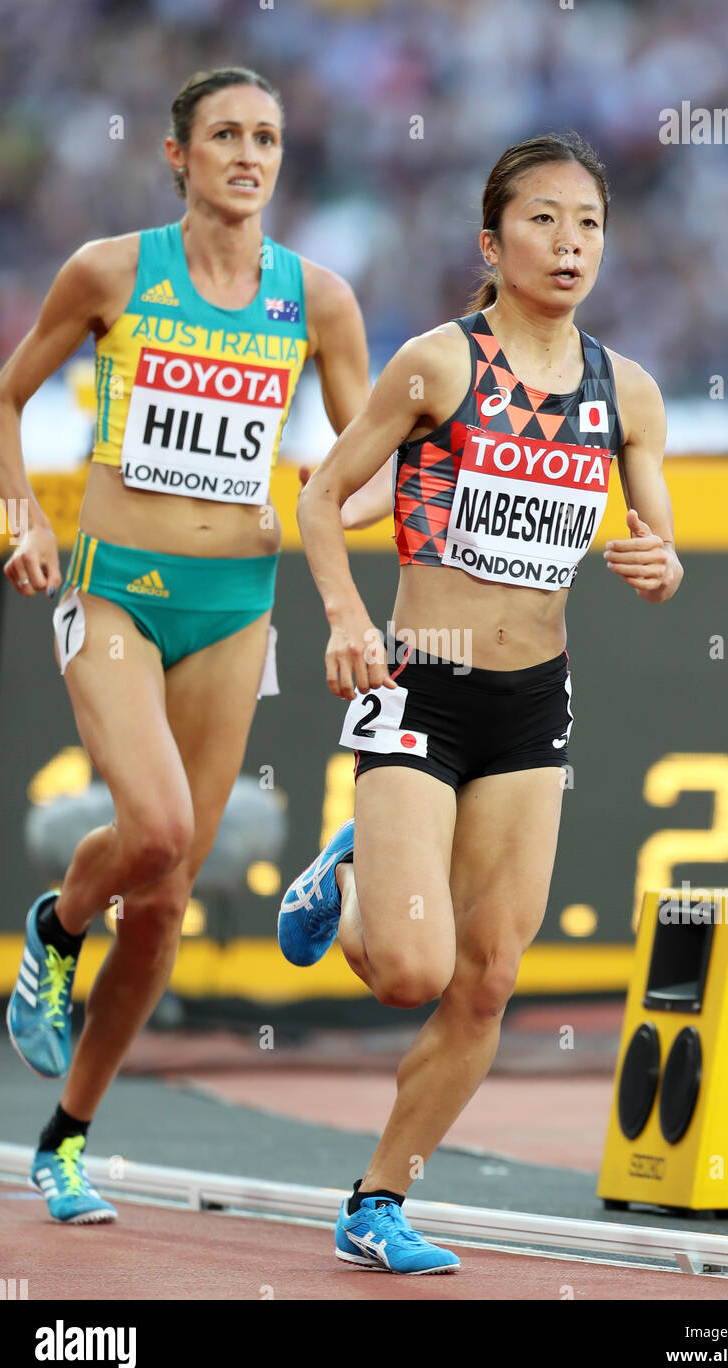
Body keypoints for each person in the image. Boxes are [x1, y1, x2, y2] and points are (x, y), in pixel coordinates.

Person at [278, 132, 684, 1274]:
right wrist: (348, 620)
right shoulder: (436, 366)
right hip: (416, 685)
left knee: (488, 976)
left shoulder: (629, 393)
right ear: (491, 241)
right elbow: (321, 500)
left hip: (528, 702)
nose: (568, 243)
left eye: (588, 223)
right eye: (544, 219)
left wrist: (661, 567)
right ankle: (348, 875)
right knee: (408, 970)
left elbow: (659, 545)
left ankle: (375, 1200)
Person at [0, 66, 381, 1224]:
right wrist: (25, 514)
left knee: (163, 901)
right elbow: (3, 398)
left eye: (266, 135)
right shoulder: (111, 270)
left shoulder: (319, 300)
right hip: (115, 588)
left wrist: (364, 494)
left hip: (236, 605)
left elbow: (364, 460)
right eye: (224, 135)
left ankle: (64, 1139)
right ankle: (56, 926)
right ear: (178, 154)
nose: (249, 154)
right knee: (153, 828)